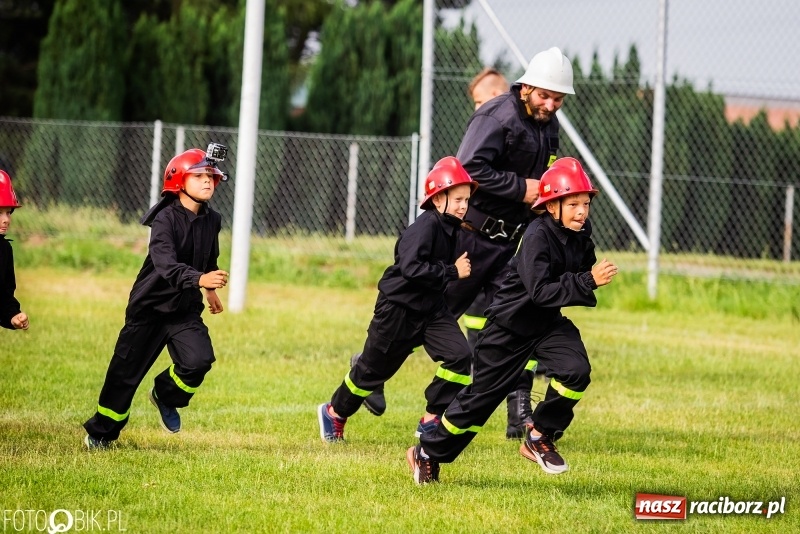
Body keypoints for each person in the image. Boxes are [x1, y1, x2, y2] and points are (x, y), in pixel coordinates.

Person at [407, 157, 618, 484]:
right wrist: (588, 281)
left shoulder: (580, 233)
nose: (582, 211)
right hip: (509, 328)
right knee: (478, 404)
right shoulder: (537, 235)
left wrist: (585, 278)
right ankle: (428, 452)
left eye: (586, 203)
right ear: (552, 207)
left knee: (576, 371)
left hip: (546, 324)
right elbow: (540, 291)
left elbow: (572, 275)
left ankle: (539, 435)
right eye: (573, 204)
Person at [446, 47, 576, 439]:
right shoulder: (496, 116)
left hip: (511, 245)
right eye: (544, 96)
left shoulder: (547, 123)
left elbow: (541, 175)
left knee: (520, 320)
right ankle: (370, 371)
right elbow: (469, 169)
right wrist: (523, 189)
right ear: (526, 88)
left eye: (558, 98)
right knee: (424, 318)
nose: (551, 104)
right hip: (468, 239)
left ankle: (519, 413)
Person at [318, 157, 476, 443]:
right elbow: (410, 268)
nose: (464, 205)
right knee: (371, 373)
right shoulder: (425, 226)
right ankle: (334, 412)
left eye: (466, 199)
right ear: (439, 198)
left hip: (432, 310)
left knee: (460, 356)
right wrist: (452, 271)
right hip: (398, 309)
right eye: (458, 199)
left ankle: (431, 418)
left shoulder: (453, 226)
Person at [83, 146, 230, 449]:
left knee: (199, 360)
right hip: (149, 310)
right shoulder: (165, 219)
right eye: (200, 175)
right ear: (178, 181)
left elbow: (207, 256)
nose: (208, 181)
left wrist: (210, 289)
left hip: (183, 310)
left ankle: (165, 395)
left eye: (211, 176)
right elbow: (166, 265)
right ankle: (101, 434)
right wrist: (199, 279)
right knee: (124, 375)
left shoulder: (212, 219)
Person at [0, 170, 29, 331]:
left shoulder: (4, 250)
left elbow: (4, 294)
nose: (6, 220)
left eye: (8, 212)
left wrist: (13, 315)